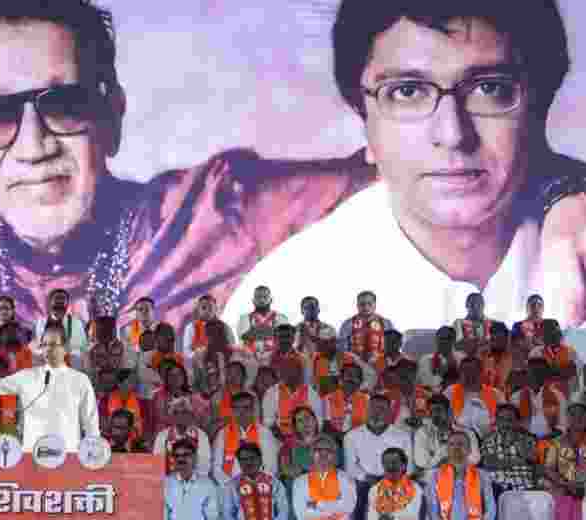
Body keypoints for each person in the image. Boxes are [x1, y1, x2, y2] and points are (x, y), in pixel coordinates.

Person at [227, 0, 581, 329]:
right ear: (363, 124)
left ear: (538, 109)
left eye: (489, 88)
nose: (452, 134)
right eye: (407, 91)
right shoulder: (283, 304)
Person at [343, 394, 415, 520]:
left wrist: (390, 480)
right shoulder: (351, 436)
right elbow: (350, 468)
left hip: (395, 483)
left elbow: (409, 468)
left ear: (389, 413)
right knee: (360, 492)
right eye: (373, 408)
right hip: (364, 484)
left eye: (382, 409)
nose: (377, 413)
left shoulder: (403, 436)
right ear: (367, 411)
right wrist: (368, 478)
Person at [429, 431, 498, 520]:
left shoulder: (482, 475)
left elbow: (490, 506)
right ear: (447, 449)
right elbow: (432, 507)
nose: (456, 448)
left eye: (461, 444)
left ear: (469, 449)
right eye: (452, 444)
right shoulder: (435, 475)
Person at [292, 435, 357, 520]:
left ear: (334, 455)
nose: (323, 454)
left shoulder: (346, 479)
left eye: (328, 450)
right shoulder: (300, 481)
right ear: (311, 454)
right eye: (318, 450)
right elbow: (300, 514)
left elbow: (348, 507)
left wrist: (315, 505)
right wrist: (335, 506)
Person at [221, 443, 289, 520]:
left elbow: (284, 512)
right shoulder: (231, 486)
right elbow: (227, 517)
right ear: (239, 463)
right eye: (243, 459)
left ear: (260, 459)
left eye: (252, 458)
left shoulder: (275, 483)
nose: (248, 462)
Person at [164, 438, 223, 520]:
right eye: (177, 456)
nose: (181, 459)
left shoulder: (208, 484)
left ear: (195, 458)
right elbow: (162, 516)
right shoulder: (165, 483)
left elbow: (213, 516)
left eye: (186, 455)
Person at [364, 447, 426, 520]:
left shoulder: (415, 487)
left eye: (394, 462)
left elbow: (413, 512)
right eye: (386, 463)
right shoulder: (375, 489)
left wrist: (391, 519)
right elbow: (371, 514)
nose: (390, 466)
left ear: (404, 465)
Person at [212, 391, 278, 482]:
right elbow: (216, 468)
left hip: (260, 485)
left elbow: (271, 466)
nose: (241, 413)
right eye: (237, 409)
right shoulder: (222, 434)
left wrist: (256, 484)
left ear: (253, 410)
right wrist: (230, 485)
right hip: (229, 485)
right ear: (232, 411)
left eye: (246, 408)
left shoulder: (265, 433)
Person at [479, 404, 539, 497]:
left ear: (517, 422)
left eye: (509, 420)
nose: (505, 423)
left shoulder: (527, 439)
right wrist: (520, 461)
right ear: (496, 421)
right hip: (499, 489)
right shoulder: (488, 439)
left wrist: (516, 441)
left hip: (525, 488)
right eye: (501, 419)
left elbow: (532, 459)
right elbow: (489, 463)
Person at [414, 395, 481, 474]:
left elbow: (475, 459)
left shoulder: (467, 433)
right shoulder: (422, 433)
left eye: (438, 410)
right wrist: (446, 450)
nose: (435, 415)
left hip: (462, 475)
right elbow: (421, 463)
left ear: (449, 411)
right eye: (431, 412)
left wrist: (437, 459)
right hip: (433, 477)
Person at [444, 356, 505, 437]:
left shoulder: (496, 394)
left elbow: (504, 417)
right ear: (460, 373)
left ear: (481, 372)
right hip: (457, 437)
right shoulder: (450, 391)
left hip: (487, 437)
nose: (468, 374)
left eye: (472, 370)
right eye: (465, 371)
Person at [262, 360, 323, 439]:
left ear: (300, 373)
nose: (286, 373)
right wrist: (283, 439)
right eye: (285, 369)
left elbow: (318, 423)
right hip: (279, 439)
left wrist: (303, 438)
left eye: (292, 369)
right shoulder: (272, 392)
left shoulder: (311, 393)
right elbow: (268, 423)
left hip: (305, 438)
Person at [235, 286, 289, 361]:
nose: (261, 300)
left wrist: (254, 332)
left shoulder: (281, 317)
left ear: (271, 300)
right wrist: (272, 331)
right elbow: (244, 337)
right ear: (253, 300)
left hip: (275, 359)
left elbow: (284, 338)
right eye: (258, 297)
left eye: (265, 297)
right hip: (250, 360)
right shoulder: (244, 318)